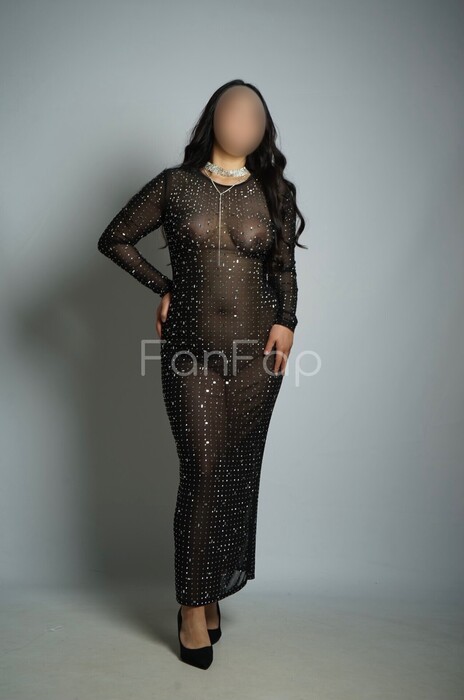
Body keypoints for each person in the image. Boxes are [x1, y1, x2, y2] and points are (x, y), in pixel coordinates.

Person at [97, 79, 306, 669]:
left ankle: (211, 587)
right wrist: (165, 286)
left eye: (256, 115)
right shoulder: (175, 184)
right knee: (202, 470)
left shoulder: (275, 191)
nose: (244, 121)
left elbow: (283, 270)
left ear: (263, 129)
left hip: (257, 357)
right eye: (234, 110)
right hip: (190, 351)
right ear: (214, 118)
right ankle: (191, 604)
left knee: (236, 473)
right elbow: (115, 238)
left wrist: (288, 321)